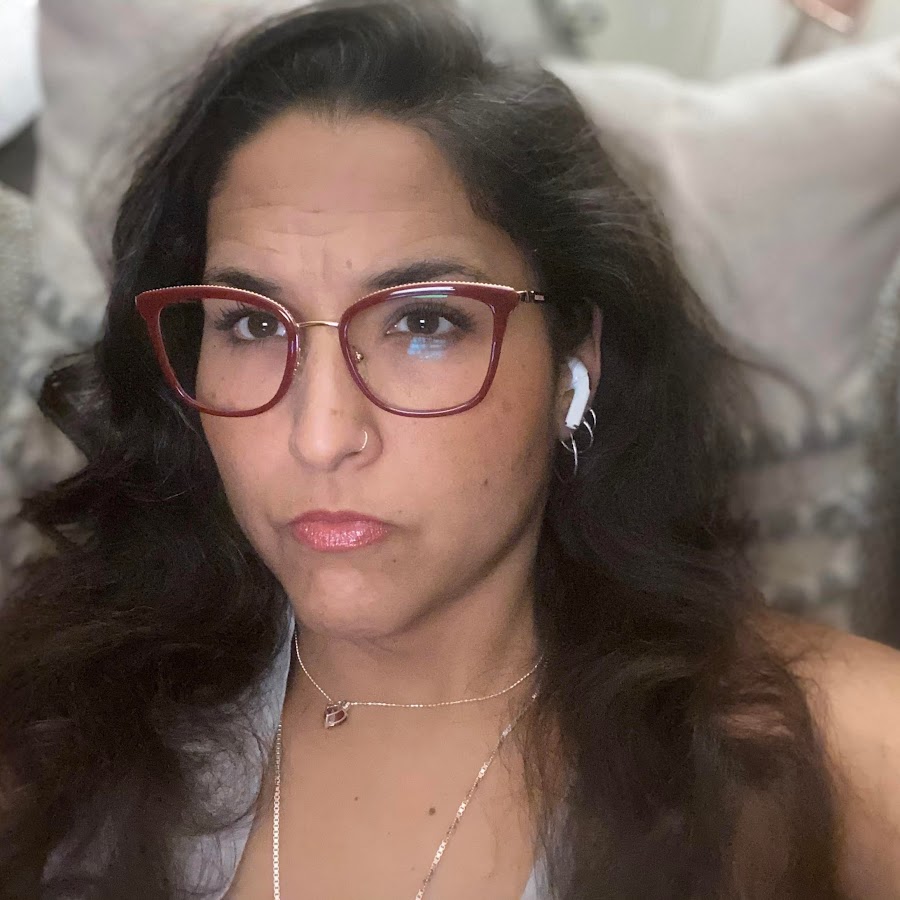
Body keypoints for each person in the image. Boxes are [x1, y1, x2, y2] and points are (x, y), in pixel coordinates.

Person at [1, 2, 898, 898]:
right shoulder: (63, 727)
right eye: (252, 324)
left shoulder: (827, 759)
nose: (320, 436)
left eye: (423, 324)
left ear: (573, 365)